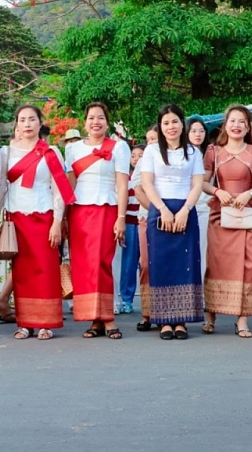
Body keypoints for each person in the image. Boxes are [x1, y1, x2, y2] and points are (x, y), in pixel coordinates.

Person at [0, 105, 75, 340]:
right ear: (17, 125)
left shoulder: (50, 152)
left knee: (46, 270)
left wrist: (56, 221)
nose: (27, 124)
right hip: (16, 217)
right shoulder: (7, 153)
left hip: (43, 216)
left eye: (32, 119)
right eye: (22, 120)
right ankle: (25, 322)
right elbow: (1, 188)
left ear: (40, 122)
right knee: (21, 272)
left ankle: (46, 322)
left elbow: (59, 190)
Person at [201, 105, 252, 338]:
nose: (237, 125)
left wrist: (248, 194)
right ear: (225, 124)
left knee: (249, 265)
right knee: (217, 264)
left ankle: (242, 320)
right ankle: (211, 314)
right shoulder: (213, 151)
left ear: (248, 125)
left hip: (248, 213)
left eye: (242, 121)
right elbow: (202, 182)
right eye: (232, 121)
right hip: (220, 214)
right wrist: (217, 192)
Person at [64, 102, 130, 340]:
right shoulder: (73, 149)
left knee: (102, 262)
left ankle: (108, 317)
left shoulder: (119, 147)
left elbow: (122, 185)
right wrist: (62, 216)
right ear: (85, 123)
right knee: (83, 266)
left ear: (107, 122)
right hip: (79, 212)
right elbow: (70, 184)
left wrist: (121, 218)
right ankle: (94, 319)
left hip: (106, 209)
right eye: (91, 118)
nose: (96, 122)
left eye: (100, 118)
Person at [141, 105, 204, 340]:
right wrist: (163, 210)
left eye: (175, 122)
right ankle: (163, 321)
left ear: (182, 124)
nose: (171, 127)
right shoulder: (151, 151)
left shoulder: (193, 152)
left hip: (186, 210)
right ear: (160, 126)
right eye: (166, 123)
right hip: (160, 210)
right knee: (161, 263)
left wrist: (186, 210)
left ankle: (181, 321)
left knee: (185, 263)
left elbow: (197, 184)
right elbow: (147, 183)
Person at [135, 126, 158, 331]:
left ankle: (168, 313)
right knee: (146, 264)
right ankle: (147, 312)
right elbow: (138, 187)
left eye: (154, 138)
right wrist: (155, 210)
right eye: (148, 139)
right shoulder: (143, 161)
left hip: (175, 217)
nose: (151, 142)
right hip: (148, 217)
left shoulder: (176, 157)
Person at [118, 144, 144, 314]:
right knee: (129, 263)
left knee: (146, 264)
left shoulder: (149, 177)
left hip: (145, 222)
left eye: (140, 155)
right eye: (133, 156)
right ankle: (126, 300)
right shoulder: (125, 180)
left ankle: (149, 299)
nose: (136, 159)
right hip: (129, 224)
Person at [187, 117, 211, 282]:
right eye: (194, 131)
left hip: (206, 206)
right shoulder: (182, 154)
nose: (198, 134)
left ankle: (202, 292)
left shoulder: (210, 154)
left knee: (204, 249)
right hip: (185, 206)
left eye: (201, 131)